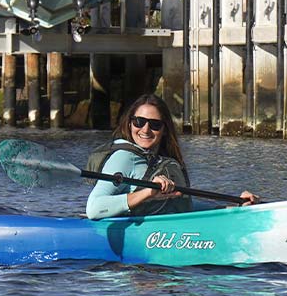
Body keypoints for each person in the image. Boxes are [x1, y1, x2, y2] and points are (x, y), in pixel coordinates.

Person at [85, 94, 258, 219]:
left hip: (158, 260)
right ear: (130, 123)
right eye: (139, 122)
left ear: (165, 129)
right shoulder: (123, 158)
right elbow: (93, 208)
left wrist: (234, 208)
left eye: (154, 124)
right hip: (128, 267)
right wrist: (147, 193)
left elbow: (181, 205)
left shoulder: (162, 161)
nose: (145, 130)